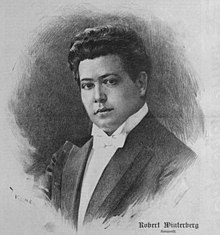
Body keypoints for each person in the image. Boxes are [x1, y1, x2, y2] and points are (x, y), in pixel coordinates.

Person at [42, 25, 196, 230]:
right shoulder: (65, 157)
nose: (98, 97)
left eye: (110, 81)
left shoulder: (179, 164)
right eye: (88, 85)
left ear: (140, 83)